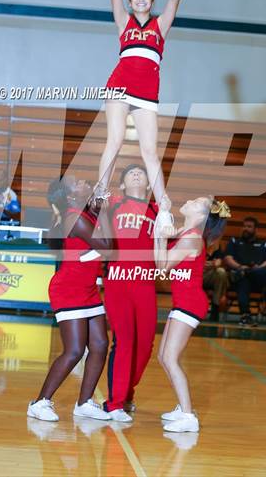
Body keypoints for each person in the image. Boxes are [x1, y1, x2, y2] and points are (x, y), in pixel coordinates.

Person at [96, 0, 201, 233]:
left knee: (150, 153)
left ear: (152, 1)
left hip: (146, 94)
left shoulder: (160, 26)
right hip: (118, 86)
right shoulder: (123, 21)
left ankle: (164, 209)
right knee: (114, 141)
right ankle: (100, 196)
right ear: (131, 0)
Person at [27, 176, 113, 422]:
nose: (84, 181)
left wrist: (98, 208)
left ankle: (84, 403)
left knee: (99, 345)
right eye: (77, 183)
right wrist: (103, 210)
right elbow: (108, 247)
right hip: (69, 289)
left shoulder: (85, 214)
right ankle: (40, 402)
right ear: (69, 196)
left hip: (87, 289)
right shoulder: (73, 216)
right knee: (74, 350)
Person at [155, 198, 230, 432]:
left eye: (197, 202)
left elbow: (162, 267)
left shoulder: (191, 237)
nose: (190, 200)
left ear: (202, 216)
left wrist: (160, 236)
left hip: (189, 303)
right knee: (162, 356)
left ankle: (188, 417)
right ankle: (182, 406)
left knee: (169, 358)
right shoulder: (187, 233)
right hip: (184, 302)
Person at [103, 164, 158, 422]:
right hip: (118, 280)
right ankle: (114, 403)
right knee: (123, 340)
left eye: (142, 173)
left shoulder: (157, 211)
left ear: (149, 184)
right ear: (123, 184)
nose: (137, 174)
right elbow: (98, 192)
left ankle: (127, 392)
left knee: (145, 345)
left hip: (145, 281)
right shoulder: (114, 202)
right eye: (130, 173)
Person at [224, 217, 266, 327]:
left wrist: (258, 268)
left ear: (256, 229)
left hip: (258, 276)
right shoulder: (234, 241)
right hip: (239, 276)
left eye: (249, 227)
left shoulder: (264, 244)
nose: (245, 229)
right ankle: (246, 315)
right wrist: (240, 267)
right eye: (244, 226)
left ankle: (249, 273)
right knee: (244, 280)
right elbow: (228, 259)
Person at [203, 243, 229, 321]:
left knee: (221, 272)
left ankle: (215, 307)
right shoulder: (194, 240)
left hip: (208, 273)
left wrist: (212, 264)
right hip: (194, 273)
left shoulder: (215, 244)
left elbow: (218, 262)